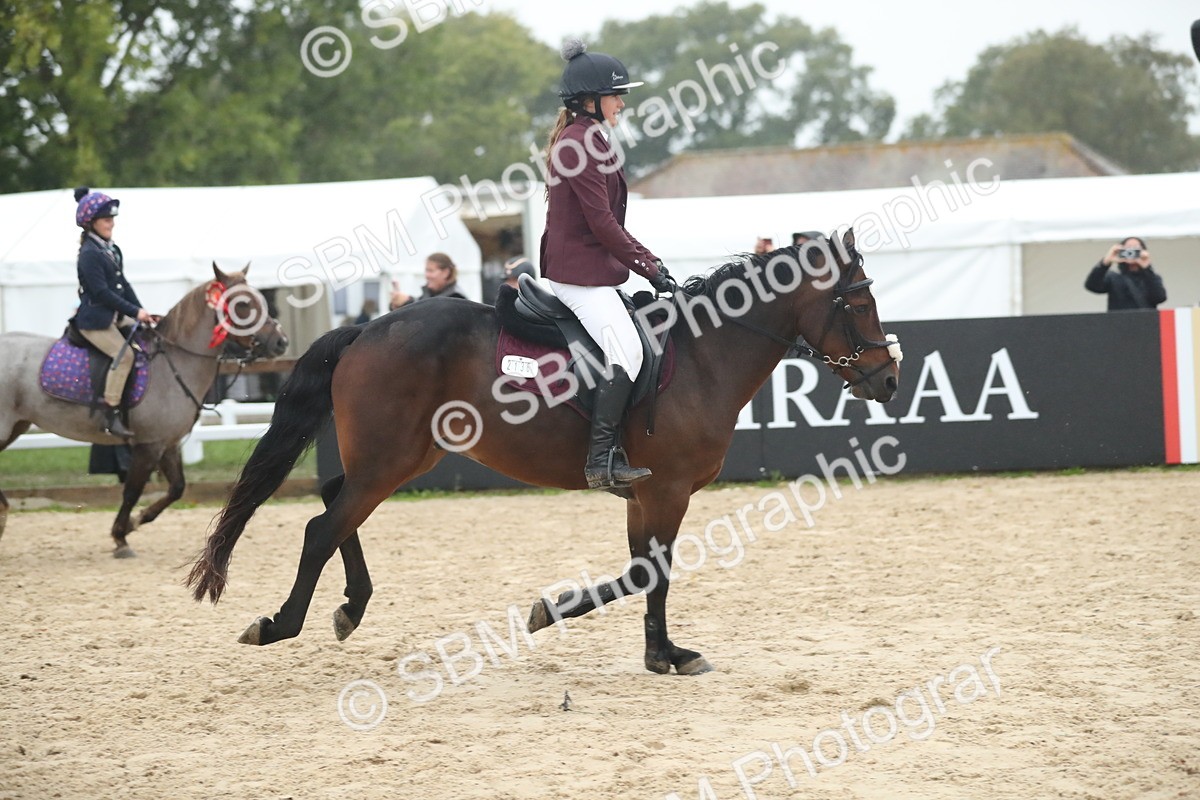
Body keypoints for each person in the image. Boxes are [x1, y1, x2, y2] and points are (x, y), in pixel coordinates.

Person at [540, 39, 673, 490]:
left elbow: (609, 221)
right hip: (577, 276)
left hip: (593, 271)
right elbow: (600, 223)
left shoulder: (593, 139)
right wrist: (648, 266)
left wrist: (648, 261)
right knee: (628, 351)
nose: (622, 102)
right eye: (617, 95)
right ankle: (600, 460)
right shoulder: (577, 145)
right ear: (590, 100)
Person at [71, 186, 158, 438]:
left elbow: (124, 285)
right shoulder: (89, 253)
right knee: (125, 356)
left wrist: (142, 311)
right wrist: (133, 311)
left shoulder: (110, 249)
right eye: (107, 219)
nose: (111, 224)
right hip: (94, 321)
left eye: (112, 219)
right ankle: (110, 415)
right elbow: (101, 293)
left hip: (114, 318)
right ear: (91, 223)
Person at [1085, 237, 1167, 311]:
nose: (1131, 252)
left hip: (1145, 322)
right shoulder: (1113, 277)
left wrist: (1147, 268)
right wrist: (1106, 262)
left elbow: (1160, 297)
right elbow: (1092, 286)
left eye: (1136, 248)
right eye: (1128, 248)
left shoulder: (1151, 278)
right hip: (1119, 323)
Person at [388, 252, 467, 310]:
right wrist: (398, 304)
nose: (427, 275)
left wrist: (407, 302)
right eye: (426, 270)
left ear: (445, 273)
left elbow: (431, 315)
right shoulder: (430, 293)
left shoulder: (456, 298)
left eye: (431, 271)